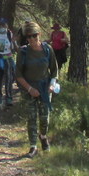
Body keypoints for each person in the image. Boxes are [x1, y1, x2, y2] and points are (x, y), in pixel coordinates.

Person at [14, 20, 59, 157]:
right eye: (28, 36)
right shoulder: (23, 52)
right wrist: (29, 89)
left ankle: (43, 136)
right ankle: (33, 146)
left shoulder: (47, 50)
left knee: (45, 118)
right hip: (29, 90)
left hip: (45, 89)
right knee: (32, 118)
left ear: (39, 34)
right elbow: (18, 74)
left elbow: (54, 71)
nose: (32, 39)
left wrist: (52, 84)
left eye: (34, 35)